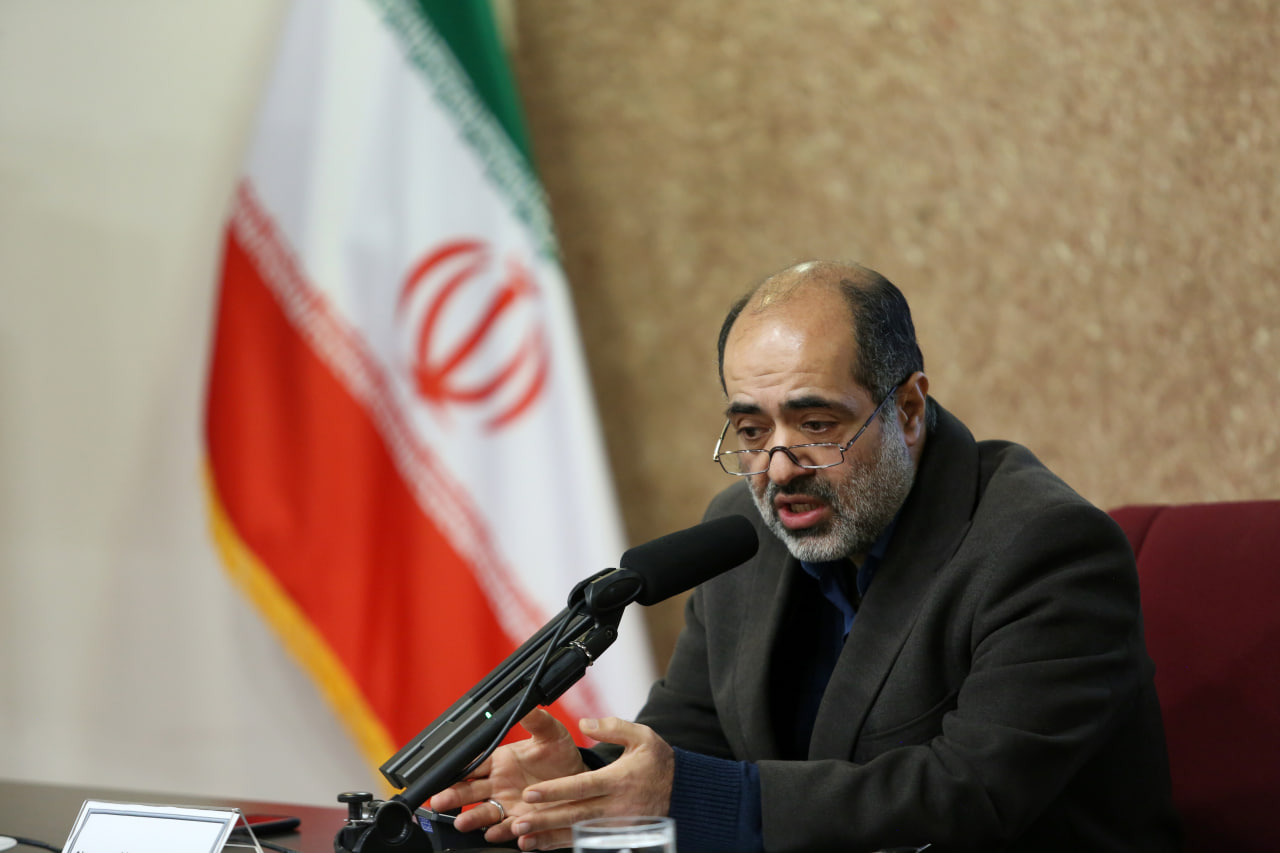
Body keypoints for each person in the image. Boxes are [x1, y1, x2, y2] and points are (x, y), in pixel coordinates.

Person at [429, 261, 1180, 852]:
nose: (779, 468)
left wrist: (690, 798)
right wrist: (585, 786)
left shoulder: (1041, 546)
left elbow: (971, 794)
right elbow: (690, 741)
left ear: (908, 409)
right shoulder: (742, 531)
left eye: (816, 423)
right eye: (752, 431)